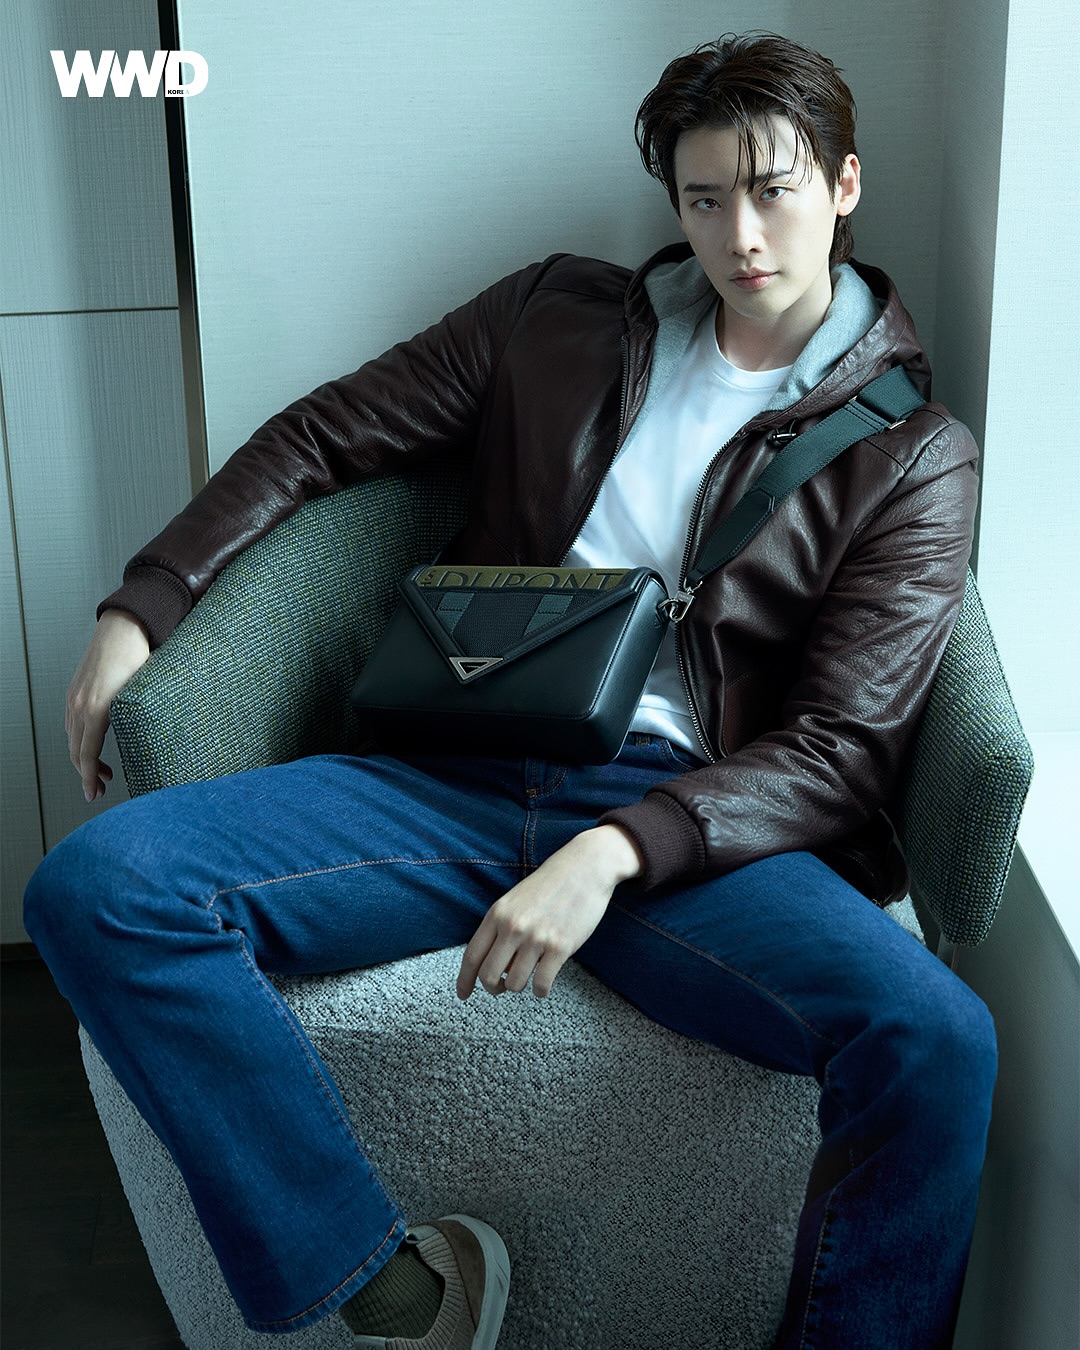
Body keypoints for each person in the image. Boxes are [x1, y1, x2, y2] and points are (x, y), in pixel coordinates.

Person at [25, 32, 996, 1350]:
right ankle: (399, 1292)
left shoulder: (911, 453)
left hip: (684, 823)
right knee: (99, 886)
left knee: (938, 1042)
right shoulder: (556, 317)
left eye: (773, 191)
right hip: (454, 770)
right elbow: (324, 433)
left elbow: (845, 746)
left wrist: (612, 852)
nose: (741, 236)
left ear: (845, 184)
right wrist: (144, 602)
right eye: (706, 198)